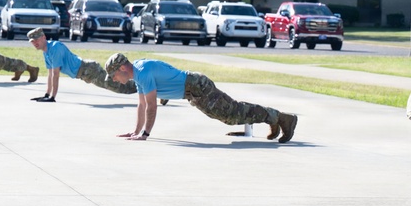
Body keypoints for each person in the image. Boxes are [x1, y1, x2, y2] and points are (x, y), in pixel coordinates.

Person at [104, 53, 298, 143]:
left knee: (232, 114)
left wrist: (145, 134)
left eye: (113, 76)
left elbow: (152, 107)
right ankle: (273, 118)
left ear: (121, 68)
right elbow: (142, 104)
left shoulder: (142, 72)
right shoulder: (137, 73)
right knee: (229, 115)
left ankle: (281, 118)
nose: (115, 80)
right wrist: (135, 131)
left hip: (196, 85)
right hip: (191, 89)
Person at [26, 27, 136, 101]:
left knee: (119, 87)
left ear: (44, 37)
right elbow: (50, 74)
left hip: (89, 70)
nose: (35, 43)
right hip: (85, 73)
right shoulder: (46, 51)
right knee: (117, 87)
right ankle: (145, 87)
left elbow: (55, 75)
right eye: (32, 42)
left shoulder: (55, 48)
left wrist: (52, 97)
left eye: (36, 40)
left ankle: (147, 86)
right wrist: (47, 95)